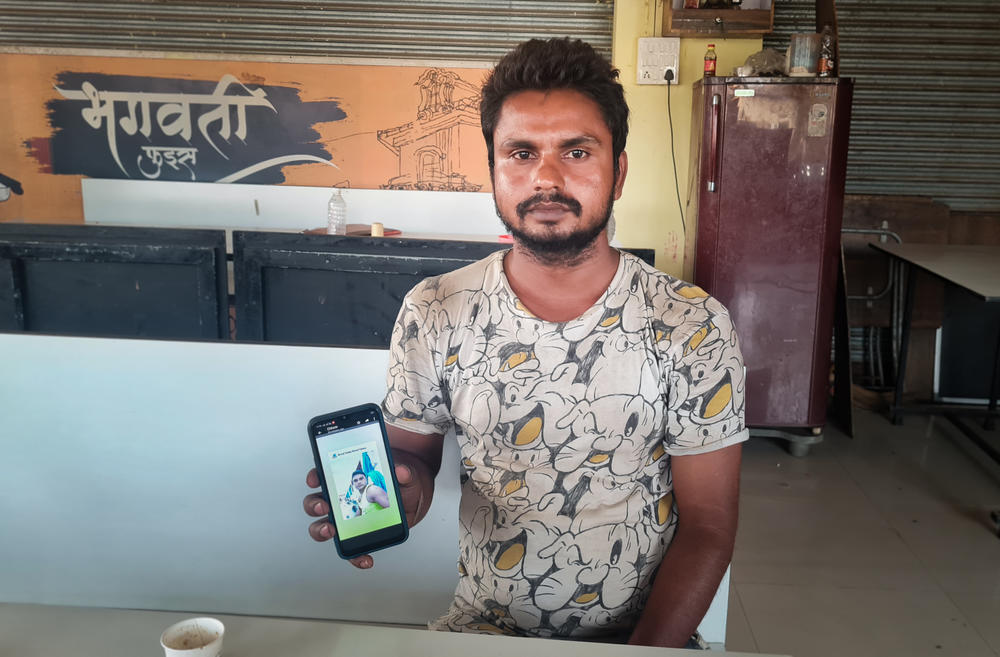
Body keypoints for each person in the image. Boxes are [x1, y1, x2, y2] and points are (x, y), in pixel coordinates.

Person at [304, 37, 747, 649]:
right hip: (483, 632)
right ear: (493, 169)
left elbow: (710, 524)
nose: (546, 177)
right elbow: (416, 462)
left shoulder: (690, 324)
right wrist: (399, 490)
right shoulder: (435, 309)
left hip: (643, 639)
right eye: (520, 152)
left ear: (617, 172)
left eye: (576, 151)